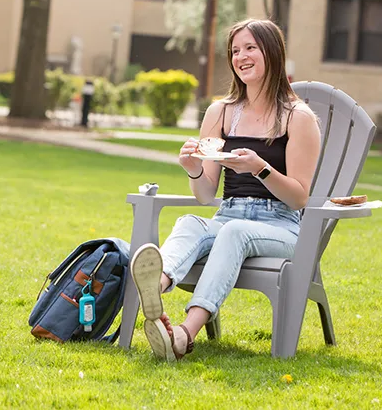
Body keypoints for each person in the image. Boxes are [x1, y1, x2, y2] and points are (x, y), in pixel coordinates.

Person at [130, 18, 321, 361]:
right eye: (235, 50)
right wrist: (193, 168)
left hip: (282, 225)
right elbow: (205, 194)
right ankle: (154, 289)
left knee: (234, 232)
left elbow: (299, 197)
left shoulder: (298, 117)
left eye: (250, 48)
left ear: (272, 53)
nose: (241, 56)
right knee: (190, 221)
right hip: (229, 213)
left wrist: (260, 169)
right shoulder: (221, 112)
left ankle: (184, 335)